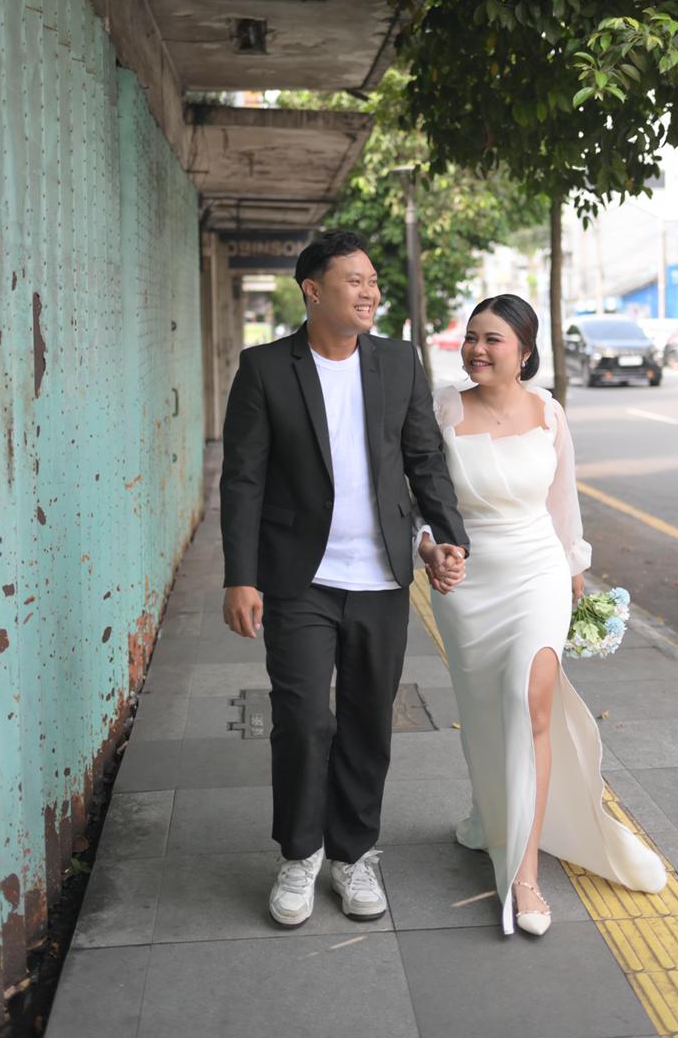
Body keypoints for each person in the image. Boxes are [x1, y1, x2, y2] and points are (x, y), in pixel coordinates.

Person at [219, 230, 469, 928]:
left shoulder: (398, 361)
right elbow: (243, 479)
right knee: (303, 719)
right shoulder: (266, 368)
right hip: (299, 577)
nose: (369, 291)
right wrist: (241, 576)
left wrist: (445, 537)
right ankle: (300, 854)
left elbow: (424, 458)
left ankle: (353, 856)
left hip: (382, 576)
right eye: (354, 279)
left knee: (367, 721)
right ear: (313, 289)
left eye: (373, 281)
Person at [418, 294, 666, 936]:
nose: (476, 349)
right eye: (471, 337)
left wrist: (575, 570)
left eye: (492, 339)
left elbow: (563, 501)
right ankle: (490, 816)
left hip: (537, 572)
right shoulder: (443, 406)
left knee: (531, 704)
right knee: (483, 712)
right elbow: (419, 495)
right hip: (468, 582)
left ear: (524, 351)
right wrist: (428, 547)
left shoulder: (549, 411)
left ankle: (524, 876)